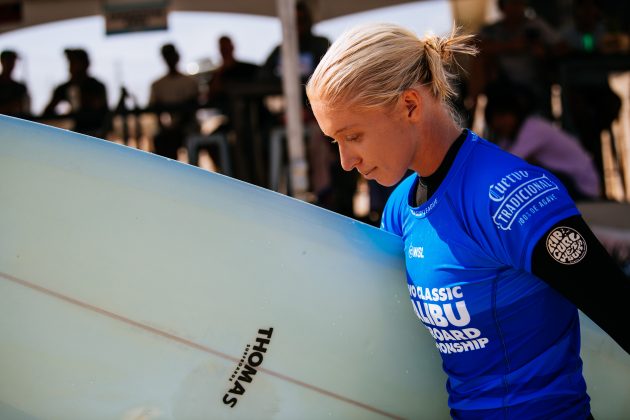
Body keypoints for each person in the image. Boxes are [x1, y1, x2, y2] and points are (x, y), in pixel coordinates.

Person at [306, 22, 629, 419]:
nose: (345, 161)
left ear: (410, 105)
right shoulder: (400, 211)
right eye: (334, 141)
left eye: (352, 136)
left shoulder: (507, 198)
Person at [260, 1, 356, 217]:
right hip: (286, 117)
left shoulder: (320, 44)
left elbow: (333, 79)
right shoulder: (281, 49)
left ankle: (325, 196)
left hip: (321, 114)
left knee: (321, 137)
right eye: (294, 21)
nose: (298, 25)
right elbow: (262, 79)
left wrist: (310, 111)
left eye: (301, 20)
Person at [484, 82, 601, 201]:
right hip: (568, 183)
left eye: (503, 116)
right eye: (496, 119)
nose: (499, 123)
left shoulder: (534, 128)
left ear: (515, 114)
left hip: (581, 188)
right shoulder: (511, 136)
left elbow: (508, 162)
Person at [149, 43, 199, 160]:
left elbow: (191, 111)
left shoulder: (190, 82)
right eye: (167, 56)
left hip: (188, 128)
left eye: (171, 55)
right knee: (161, 140)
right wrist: (165, 127)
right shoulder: (158, 85)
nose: (170, 59)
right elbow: (155, 109)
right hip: (168, 132)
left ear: (177, 56)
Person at [44, 48, 109, 137]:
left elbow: (97, 111)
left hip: (95, 135)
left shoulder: (96, 87)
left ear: (85, 64)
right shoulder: (65, 87)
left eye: (75, 62)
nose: (71, 66)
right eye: (70, 62)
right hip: (75, 135)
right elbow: (48, 112)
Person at [0, 49, 30, 117]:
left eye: (13, 61)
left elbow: (23, 110)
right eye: (8, 60)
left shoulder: (19, 87)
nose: (11, 64)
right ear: (2, 61)